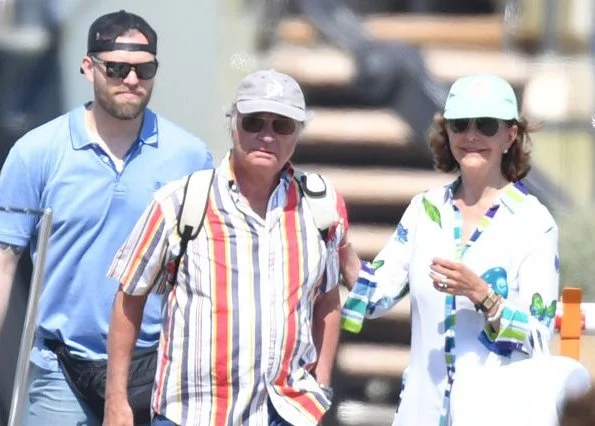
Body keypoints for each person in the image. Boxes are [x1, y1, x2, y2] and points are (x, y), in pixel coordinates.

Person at [0, 10, 213, 426]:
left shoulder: (189, 156)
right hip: (61, 367)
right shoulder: (36, 152)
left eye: (144, 69)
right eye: (116, 68)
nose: (131, 80)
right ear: (88, 67)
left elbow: (203, 269)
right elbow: (4, 261)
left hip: (157, 366)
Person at [103, 69, 347, 426]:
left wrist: (320, 388)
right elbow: (130, 297)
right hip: (193, 414)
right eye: (253, 122)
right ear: (232, 124)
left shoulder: (320, 206)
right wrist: (116, 400)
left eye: (282, 125)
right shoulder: (180, 202)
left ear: (298, 133)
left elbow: (327, 301)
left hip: (285, 413)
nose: (266, 136)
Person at [339, 73, 559, 425]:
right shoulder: (424, 211)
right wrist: (339, 243)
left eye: (486, 125)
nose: (471, 136)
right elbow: (375, 295)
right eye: (460, 124)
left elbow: (538, 334)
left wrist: (483, 295)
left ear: (510, 135)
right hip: (421, 413)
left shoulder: (534, 223)